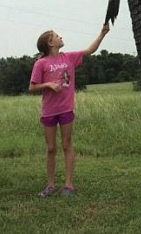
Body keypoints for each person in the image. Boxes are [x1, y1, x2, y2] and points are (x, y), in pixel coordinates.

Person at [29, 24, 110, 197]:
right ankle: (50, 185)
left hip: (66, 109)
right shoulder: (40, 63)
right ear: (50, 43)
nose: (61, 37)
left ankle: (69, 185)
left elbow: (89, 51)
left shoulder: (69, 57)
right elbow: (32, 87)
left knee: (67, 144)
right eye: (57, 36)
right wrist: (48, 85)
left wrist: (102, 34)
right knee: (51, 148)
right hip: (49, 111)